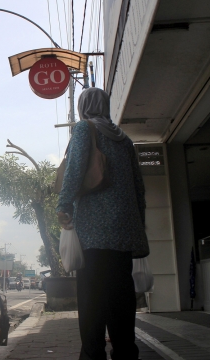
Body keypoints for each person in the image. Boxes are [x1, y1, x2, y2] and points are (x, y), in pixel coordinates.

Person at [56, 88, 149, 360]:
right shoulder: (125, 140)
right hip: (124, 234)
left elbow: (73, 171)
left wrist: (63, 205)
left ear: (85, 106)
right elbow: (139, 188)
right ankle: (125, 353)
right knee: (121, 297)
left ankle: (93, 354)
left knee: (92, 298)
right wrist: (137, 225)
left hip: (95, 233)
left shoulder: (85, 129)